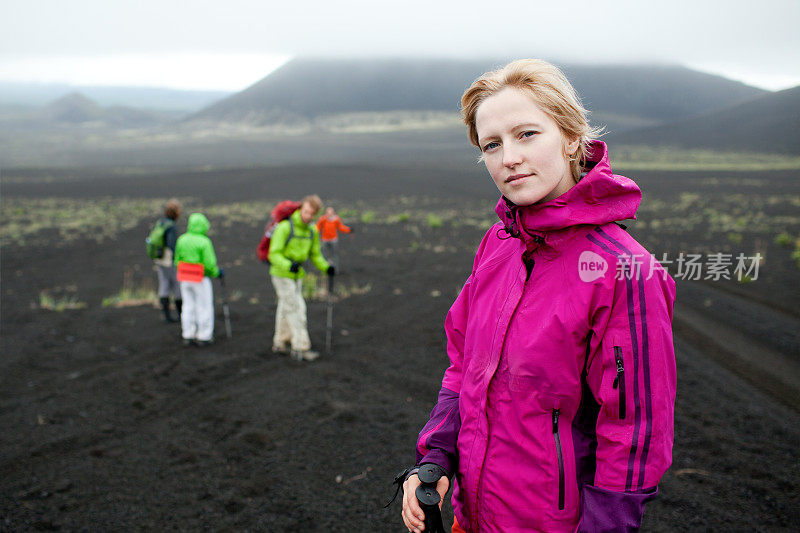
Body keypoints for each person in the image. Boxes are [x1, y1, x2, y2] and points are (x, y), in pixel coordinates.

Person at [400, 59, 677, 533]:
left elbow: (634, 434)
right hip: (474, 515)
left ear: (571, 137)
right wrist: (437, 456)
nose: (508, 157)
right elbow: (464, 367)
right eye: (492, 144)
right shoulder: (498, 245)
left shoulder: (624, 272)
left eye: (527, 134)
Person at [268, 195, 334, 361]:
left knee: (286, 307)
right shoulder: (284, 227)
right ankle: (300, 347)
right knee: (296, 309)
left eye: (311, 214)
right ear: (300, 209)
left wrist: (326, 268)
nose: (307, 216)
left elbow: (315, 255)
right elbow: (273, 254)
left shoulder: (312, 231)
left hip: (296, 275)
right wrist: (288, 265)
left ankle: (280, 342)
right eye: (305, 212)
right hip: (281, 274)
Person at [174, 212, 223, 347]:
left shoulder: (182, 239)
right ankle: (204, 336)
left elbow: (177, 260)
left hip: (184, 278)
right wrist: (217, 273)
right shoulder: (204, 242)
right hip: (200, 278)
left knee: (188, 306)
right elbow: (209, 264)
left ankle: (188, 334)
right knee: (204, 306)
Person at [152, 199, 182, 323]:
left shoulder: (161, 223)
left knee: (164, 284)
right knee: (177, 285)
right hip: (169, 260)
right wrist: (178, 258)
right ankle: (180, 315)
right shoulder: (171, 226)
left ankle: (166, 315)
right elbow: (171, 244)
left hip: (159, 258)